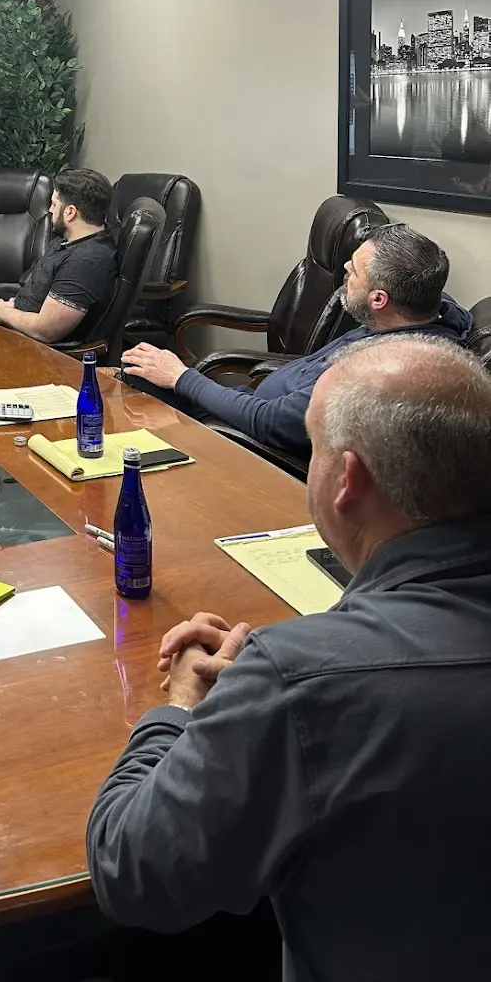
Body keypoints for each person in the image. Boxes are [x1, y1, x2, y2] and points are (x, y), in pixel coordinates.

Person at [87, 335, 491, 981]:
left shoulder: (297, 680)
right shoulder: (300, 673)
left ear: (346, 480)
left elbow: (127, 868)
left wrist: (183, 706)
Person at [118, 222, 472, 458]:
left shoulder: (381, 369)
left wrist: (182, 378)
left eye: (356, 270)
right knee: (137, 374)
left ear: (380, 299)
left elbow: (270, 423)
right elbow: (440, 293)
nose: (346, 270)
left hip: (254, 441)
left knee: (139, 397)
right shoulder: (421, 310)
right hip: (251, 402)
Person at [0, 167, 116, 344]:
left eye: (54, 204)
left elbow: (46, 331)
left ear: (70, 212)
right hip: (15, 321)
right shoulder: (68, 239)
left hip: (29, 345)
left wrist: (7, 314)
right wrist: (14, 307)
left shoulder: (85, 262)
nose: (49, 210)